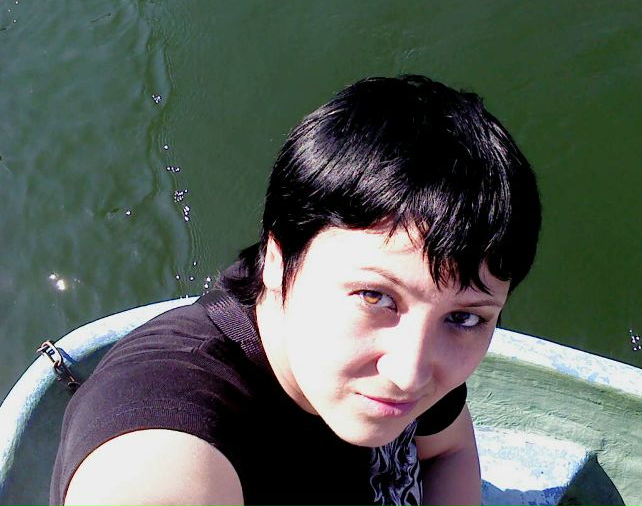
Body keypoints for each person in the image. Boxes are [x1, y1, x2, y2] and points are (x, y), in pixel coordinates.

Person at [50, 75, 542, 505]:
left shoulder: (417, 349)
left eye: (465, 317)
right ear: (277, 260)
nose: (410, 376)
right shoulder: (165, 439)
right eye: (375, 297)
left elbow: (448, 449)